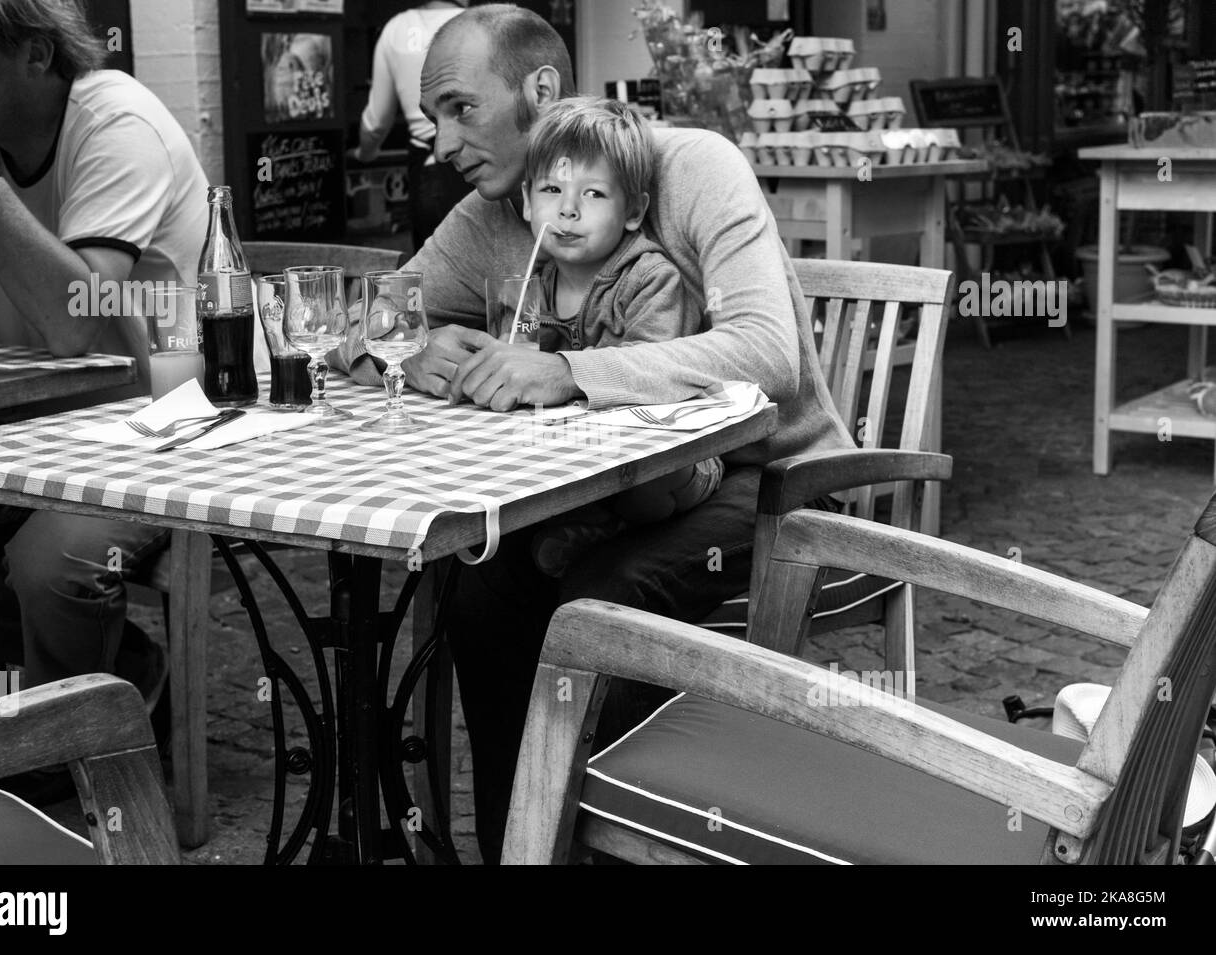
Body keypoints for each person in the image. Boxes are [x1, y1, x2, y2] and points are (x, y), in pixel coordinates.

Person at [332, 3, 852, 862]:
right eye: (432, 120)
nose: (442, 141)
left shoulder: (689, 166)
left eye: (461, 108)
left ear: (539, 89)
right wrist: (408, 345)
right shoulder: (490, 214)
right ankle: (525, 845)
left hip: (774, 485)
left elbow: (769, 354)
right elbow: (363, 314)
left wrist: (569, 373)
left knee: (595, 603)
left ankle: (617, 843)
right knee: (480, 582)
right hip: (611, 495)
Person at [0, 0, 209, 797]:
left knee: (54, 562)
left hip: (169, 416)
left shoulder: (117, 123)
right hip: (44, 417)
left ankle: (73, 742)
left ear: (38, 54)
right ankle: (84, 694)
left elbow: (76, 322)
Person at [520, 96, 725, 577]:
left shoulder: (650, 279)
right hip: (586, 450)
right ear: (528, 199)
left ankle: (606, 532)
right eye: (552, 189)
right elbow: (520, 356)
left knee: (644, 484)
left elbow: (651, 375)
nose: (568, 210)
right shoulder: (532, 282)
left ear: (633, 211)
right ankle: (590, 522)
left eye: (593, 194)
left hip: (674, 452)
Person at [354, 0, 472, 250]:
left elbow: (375, 122)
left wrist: (364, 154)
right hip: (474, 167)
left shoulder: (396, 29)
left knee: (430, 275)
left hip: (427, 169)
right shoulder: (479, 24)